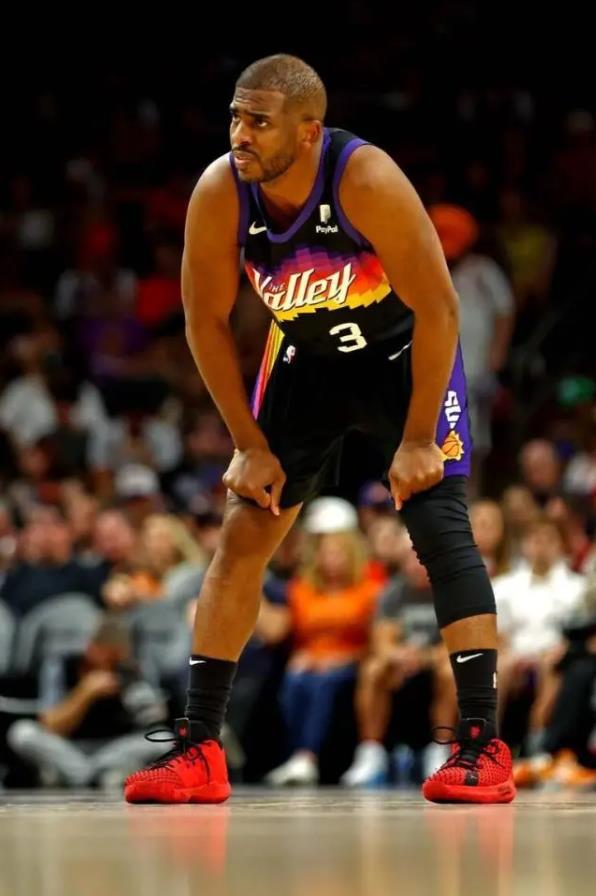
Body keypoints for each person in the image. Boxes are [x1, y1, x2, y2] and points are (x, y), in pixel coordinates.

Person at [125, 54, 514, 805]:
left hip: (403, 359)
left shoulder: (364, 177)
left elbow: (440, 308)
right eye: (235, 117)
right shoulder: (221, 190)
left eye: (259, 121)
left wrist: (417, 439)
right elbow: (204, 322)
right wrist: (248, 443)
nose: (240, 134)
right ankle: (199, 749)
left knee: (440, 530)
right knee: (242, 535)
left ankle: (481, 746)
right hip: (305, 364)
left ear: (308, 132)